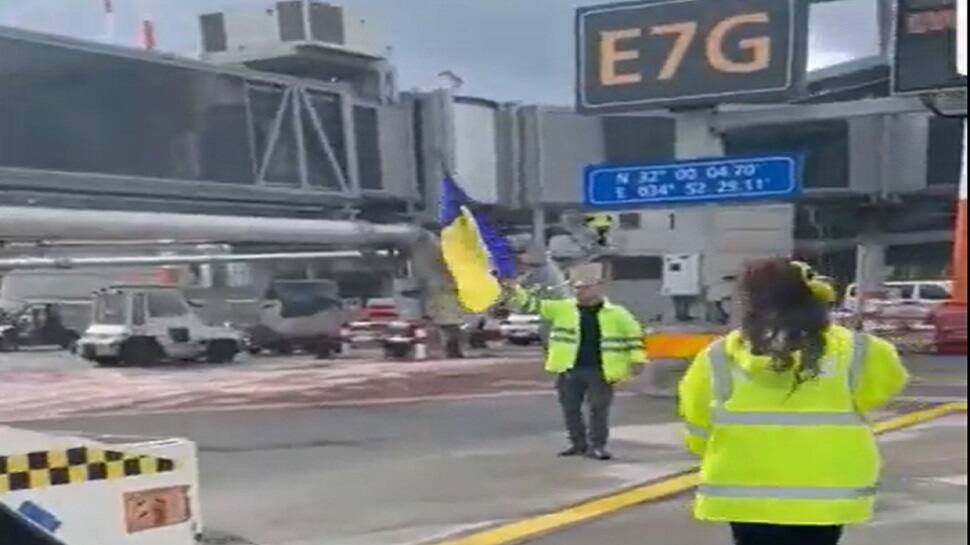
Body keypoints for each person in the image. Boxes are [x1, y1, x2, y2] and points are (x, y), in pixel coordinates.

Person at [679, 259, 909, 545]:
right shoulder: (860, 350)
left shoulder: (717, 355)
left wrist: (717, 450)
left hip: (745, 490)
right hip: (827, 492)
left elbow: (697, 422)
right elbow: (884, 388)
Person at [506, 263, 646, 461]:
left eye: (585, 287)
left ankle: (597, 446)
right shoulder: (563, 309)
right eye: (576, 288)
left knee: (598, 409)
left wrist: (637, 360)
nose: (580, 292)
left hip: (601, 370)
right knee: (570, 409)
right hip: (569, 368)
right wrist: (515, 290)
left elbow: (634, 337)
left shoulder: (618, 314)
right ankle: (578, 444)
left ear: (599, 287)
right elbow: (532, 304)